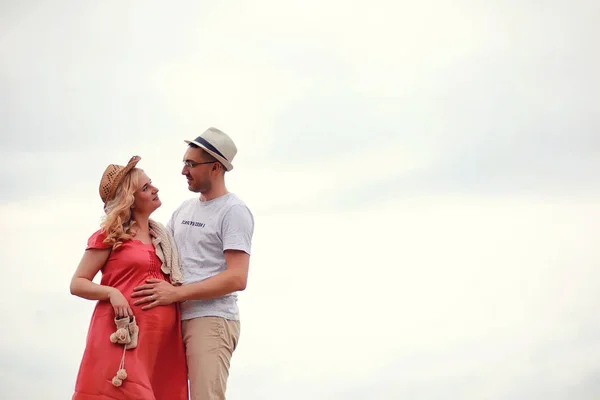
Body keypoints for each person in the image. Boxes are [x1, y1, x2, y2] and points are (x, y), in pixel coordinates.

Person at [132, 127, 254, 400]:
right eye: (184, 162)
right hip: (173, 318)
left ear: (215, 167)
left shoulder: (233, 211)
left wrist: (177, 294)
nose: (184, 170)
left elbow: (237, 278)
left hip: (210, 320)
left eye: (191, 164)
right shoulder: (185, 209)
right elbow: (158, 250)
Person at [70, 156, 188, 400]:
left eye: (151, 183)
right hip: (122, 338)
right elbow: (77, 283)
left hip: (160, 344)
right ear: (130, 201)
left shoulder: (163, 239)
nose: (154, 189)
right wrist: (112, 293)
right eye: (145, 188)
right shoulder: (111, 235)